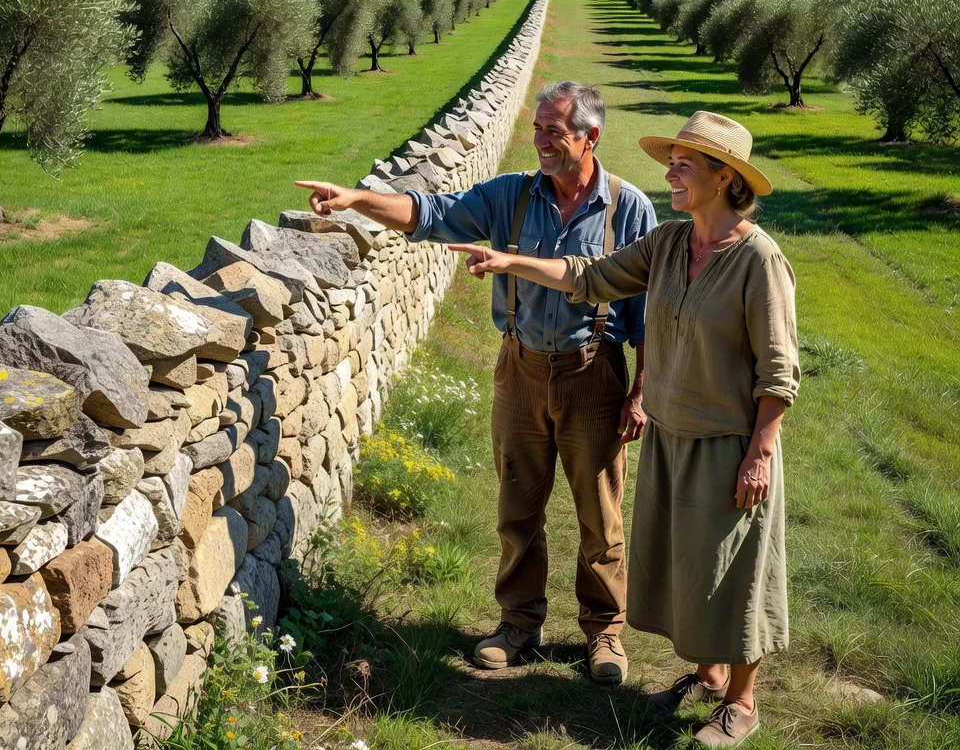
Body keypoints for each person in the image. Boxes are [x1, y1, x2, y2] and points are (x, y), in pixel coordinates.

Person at [448, 110, 799, 748]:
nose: (669, 173)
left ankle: (743, 703)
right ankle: (709, 676)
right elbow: (589, 278)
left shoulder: (758, 260)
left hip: (729, 444)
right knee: (693, 566)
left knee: (735, 571)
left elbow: (778, 372)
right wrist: (511, 261)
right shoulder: (669, 243)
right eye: (672, 162)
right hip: (671, 437)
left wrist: (759, 454)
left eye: (683, 165)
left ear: (725, 179)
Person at [296, 81, 657, 684]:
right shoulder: (512, 197)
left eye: (554, 132)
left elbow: (648, 314)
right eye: (538, 129)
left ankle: (605, 633)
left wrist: (642, 390)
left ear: (591, 138)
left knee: (600, 514)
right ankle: (519, 622)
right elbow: (429, 215)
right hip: (518, 370)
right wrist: (358, 199)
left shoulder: (630, 209)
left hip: (594, 373)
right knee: (518, 506)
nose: (541, 141)